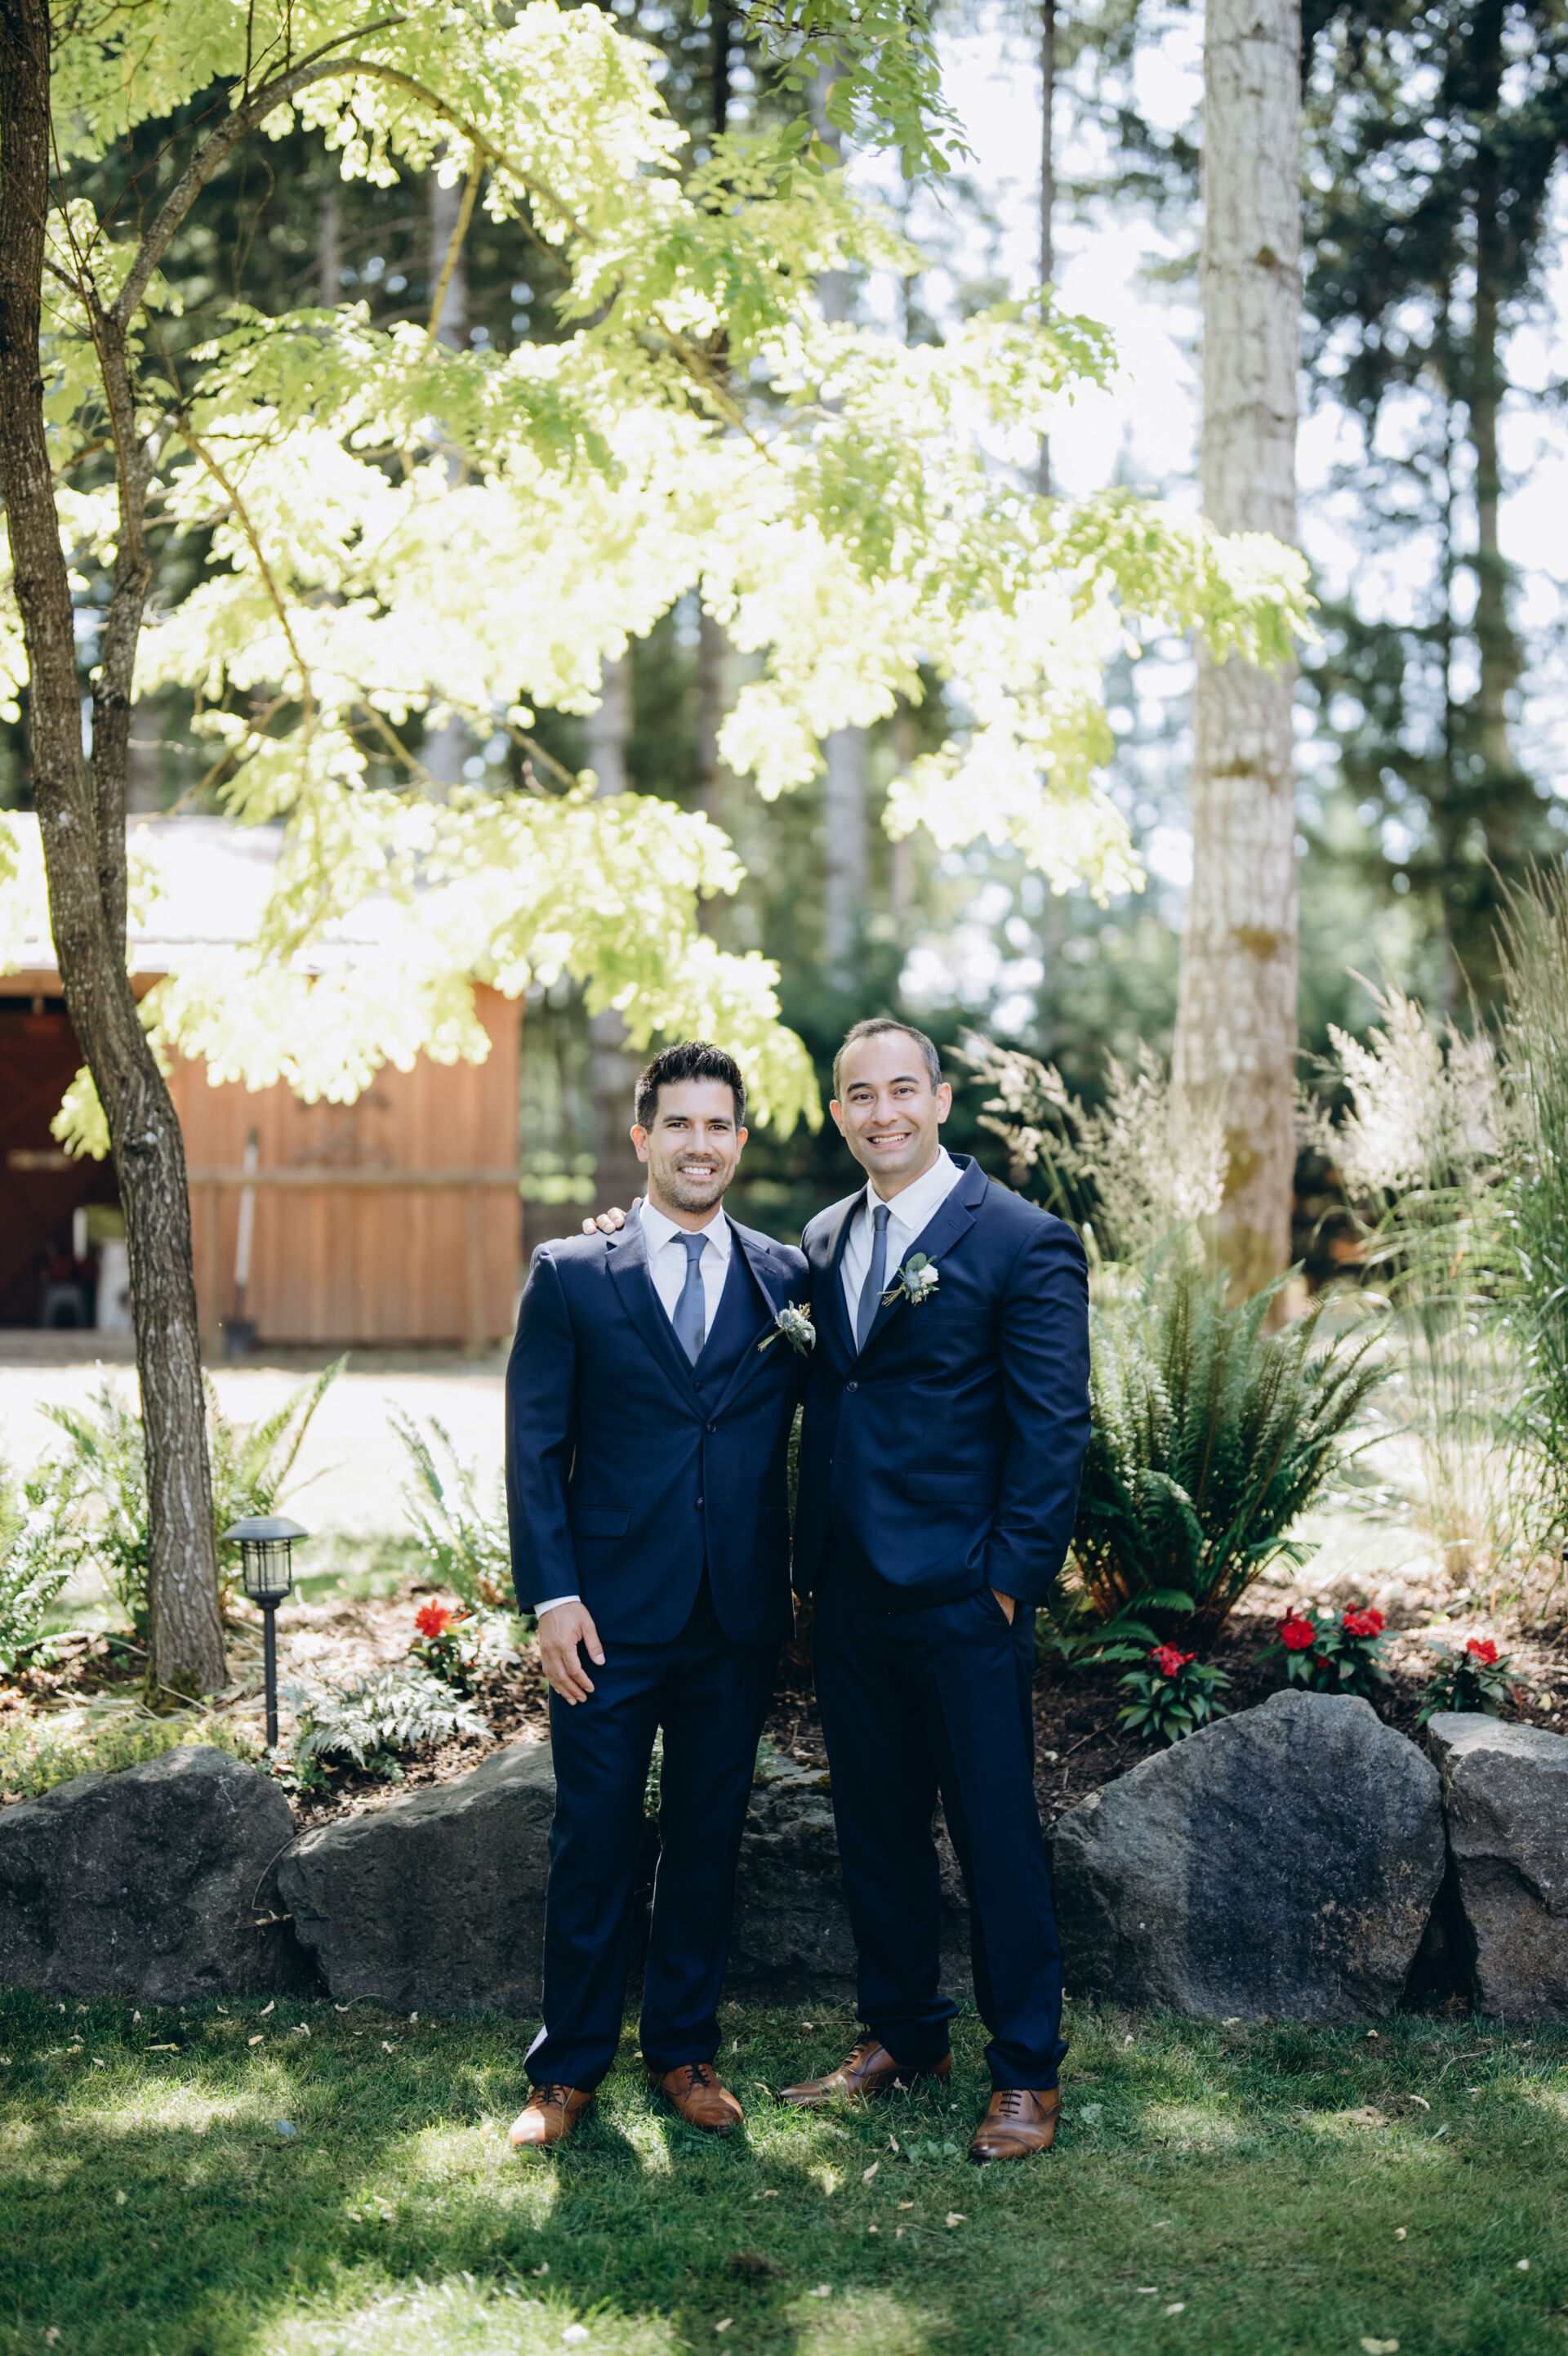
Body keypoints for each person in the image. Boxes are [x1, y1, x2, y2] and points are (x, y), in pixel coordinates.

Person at [774, 1017, 1090, 2162]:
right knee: (875, 1829)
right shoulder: (823, 1238)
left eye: (903, 1090)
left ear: (942, 1100)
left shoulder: (1021, 1239)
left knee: (996, 1838)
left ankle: (1026, 2072)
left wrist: (1007, 1583)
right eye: (861, 1096)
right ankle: (905, 2033)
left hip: (965, 1600)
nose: (884, 1113)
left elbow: (1054, 1429)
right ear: (838, 1113)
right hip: (849, 1591)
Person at [505, 1039, 808, 2147]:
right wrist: (553, 1598)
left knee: (707, 1837)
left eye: (717, 1125)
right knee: (593, 1836)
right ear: (643, 1139)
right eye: (677, 1123)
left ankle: (683, 2051)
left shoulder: (788, 1279)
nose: (699, 1143)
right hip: (606, 1618)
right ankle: (565, 2073)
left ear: (740, 1140)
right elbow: (535, 1447)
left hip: (736, 1613)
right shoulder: (573, 1273)